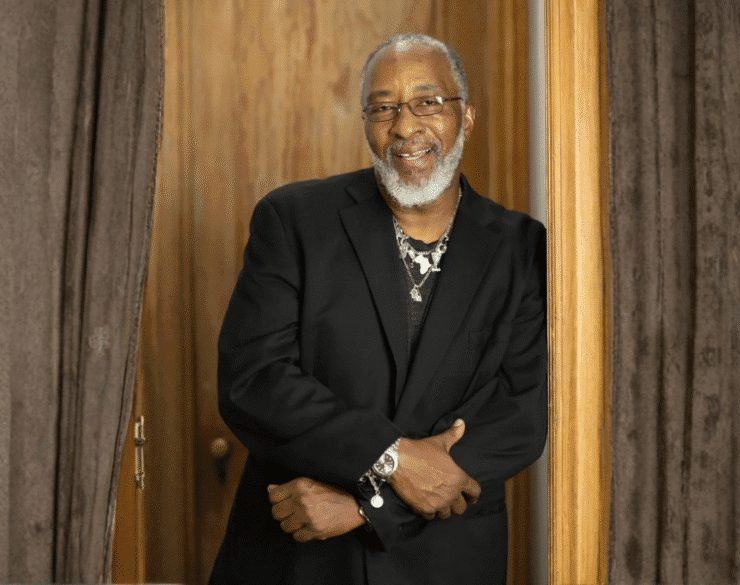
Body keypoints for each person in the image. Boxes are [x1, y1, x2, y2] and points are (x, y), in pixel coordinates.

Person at [208, 33, 547, 585]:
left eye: (428, 102)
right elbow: (254, 380)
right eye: (383, 107)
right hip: (298, 558)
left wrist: (369, 505)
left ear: (468, 117)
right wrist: (391, 456)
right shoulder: (294, 220)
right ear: (366, 122)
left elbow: (520, 419)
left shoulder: (521, 247)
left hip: (446, 558)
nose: (406, 127)